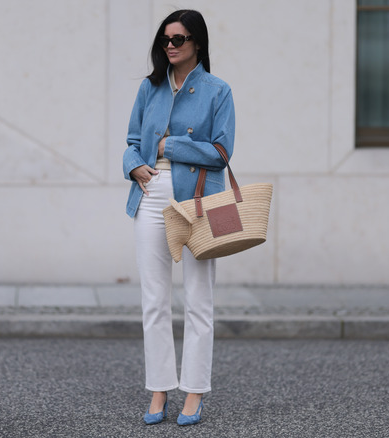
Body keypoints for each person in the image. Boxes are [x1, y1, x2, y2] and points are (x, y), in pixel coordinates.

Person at [122, 9, 235, 426]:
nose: (171, 46)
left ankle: (193, 392)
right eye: (166, 39)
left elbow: (222, 153)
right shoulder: (150, 89)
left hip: (200, 200)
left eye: (179, 39)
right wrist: (133, 165)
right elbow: (133, 141)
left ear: (197, 43)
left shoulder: (217, 90)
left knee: (198, 300)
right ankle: (158, 388)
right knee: (154, 300)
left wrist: (171, 147)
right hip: (150, 196)